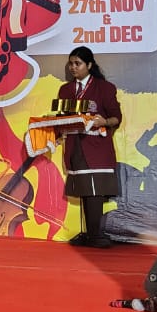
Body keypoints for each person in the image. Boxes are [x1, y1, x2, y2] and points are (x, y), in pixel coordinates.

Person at [57, 45, 122, 248]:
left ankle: (95, 235)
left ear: (89, 65)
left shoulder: (105, 88)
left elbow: (116, 117)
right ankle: (90, 234)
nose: (73, 67)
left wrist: (105, 122)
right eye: (71, 63)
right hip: (74, 145)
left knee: (96, 189)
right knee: (84, 188)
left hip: (97, 145)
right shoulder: (65, 90)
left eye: (78, 63)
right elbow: (61, 117)